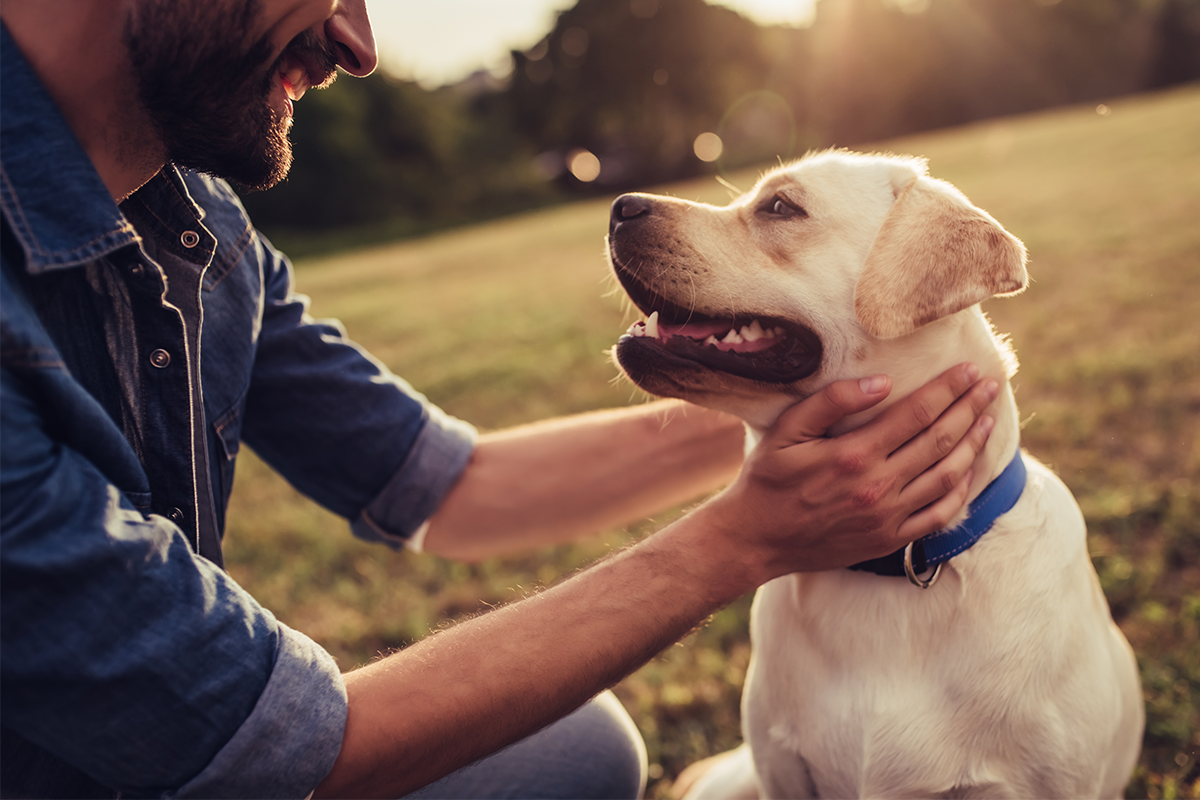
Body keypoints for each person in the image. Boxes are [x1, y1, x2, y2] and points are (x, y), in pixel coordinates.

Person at [0, 1, 999, 798]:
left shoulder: (198, 231)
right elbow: (262, 747)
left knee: (574, 750)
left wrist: (815, 399)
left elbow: (453, 484)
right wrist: (744, 537)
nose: (358, 42)